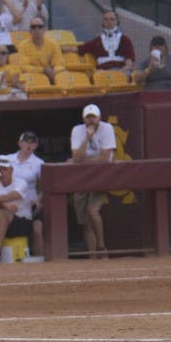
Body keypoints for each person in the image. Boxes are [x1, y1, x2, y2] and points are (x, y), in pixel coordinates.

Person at [68, 103, 116, 258]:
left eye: (93, 118)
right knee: (85, 222)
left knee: (92, 210)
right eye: (88, 118)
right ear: (84, 119)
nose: (91, 121)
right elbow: (77, 157)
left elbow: (104, 158)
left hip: (102, 175)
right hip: (82, 177)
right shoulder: (77, 130)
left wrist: (81, 160)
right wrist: (87, 138)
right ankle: (92, 257)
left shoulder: (107, 128)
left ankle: (102, 247)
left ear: (99, 118)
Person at [0, 155, 31, 264]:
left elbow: (12, 196)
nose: (1, 172)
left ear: (11, 170)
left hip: (22, 222)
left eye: (5, 169)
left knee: (1, 213)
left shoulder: (21, 183)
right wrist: (4, 205)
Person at [6, 130, 44, 257]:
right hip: (10, 203)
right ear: (19, 143)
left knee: (37, 229)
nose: (29, 145)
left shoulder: (39, 163)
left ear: (36, 145)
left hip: (30, 204)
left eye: (32, 143)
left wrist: (39, 198)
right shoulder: (7, 159)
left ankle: (39, 259)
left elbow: (43, 186)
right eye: (26, 142)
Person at [72, 9, 136, 73]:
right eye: (106, 19)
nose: (109, 21)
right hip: (102, 73)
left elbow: (129, 64)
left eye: (112, 19)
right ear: (102, 22)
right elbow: (78, 48)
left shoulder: (125, 40)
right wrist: (62, 48)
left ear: (117, 21)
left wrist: (120, 72)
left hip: (121, 71)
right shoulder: (96, 42)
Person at [16, 16, 64, 83]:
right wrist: (43, 70)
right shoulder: (23, 45)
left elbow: (60, 64)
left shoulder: (53, 44)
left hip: (52, 76)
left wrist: (52, 71)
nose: (37, 29)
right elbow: (23, 67)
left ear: (45, 29)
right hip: (32, 78)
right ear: (30, 31)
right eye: (33, 27)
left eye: (40, 27)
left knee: (63, 75)